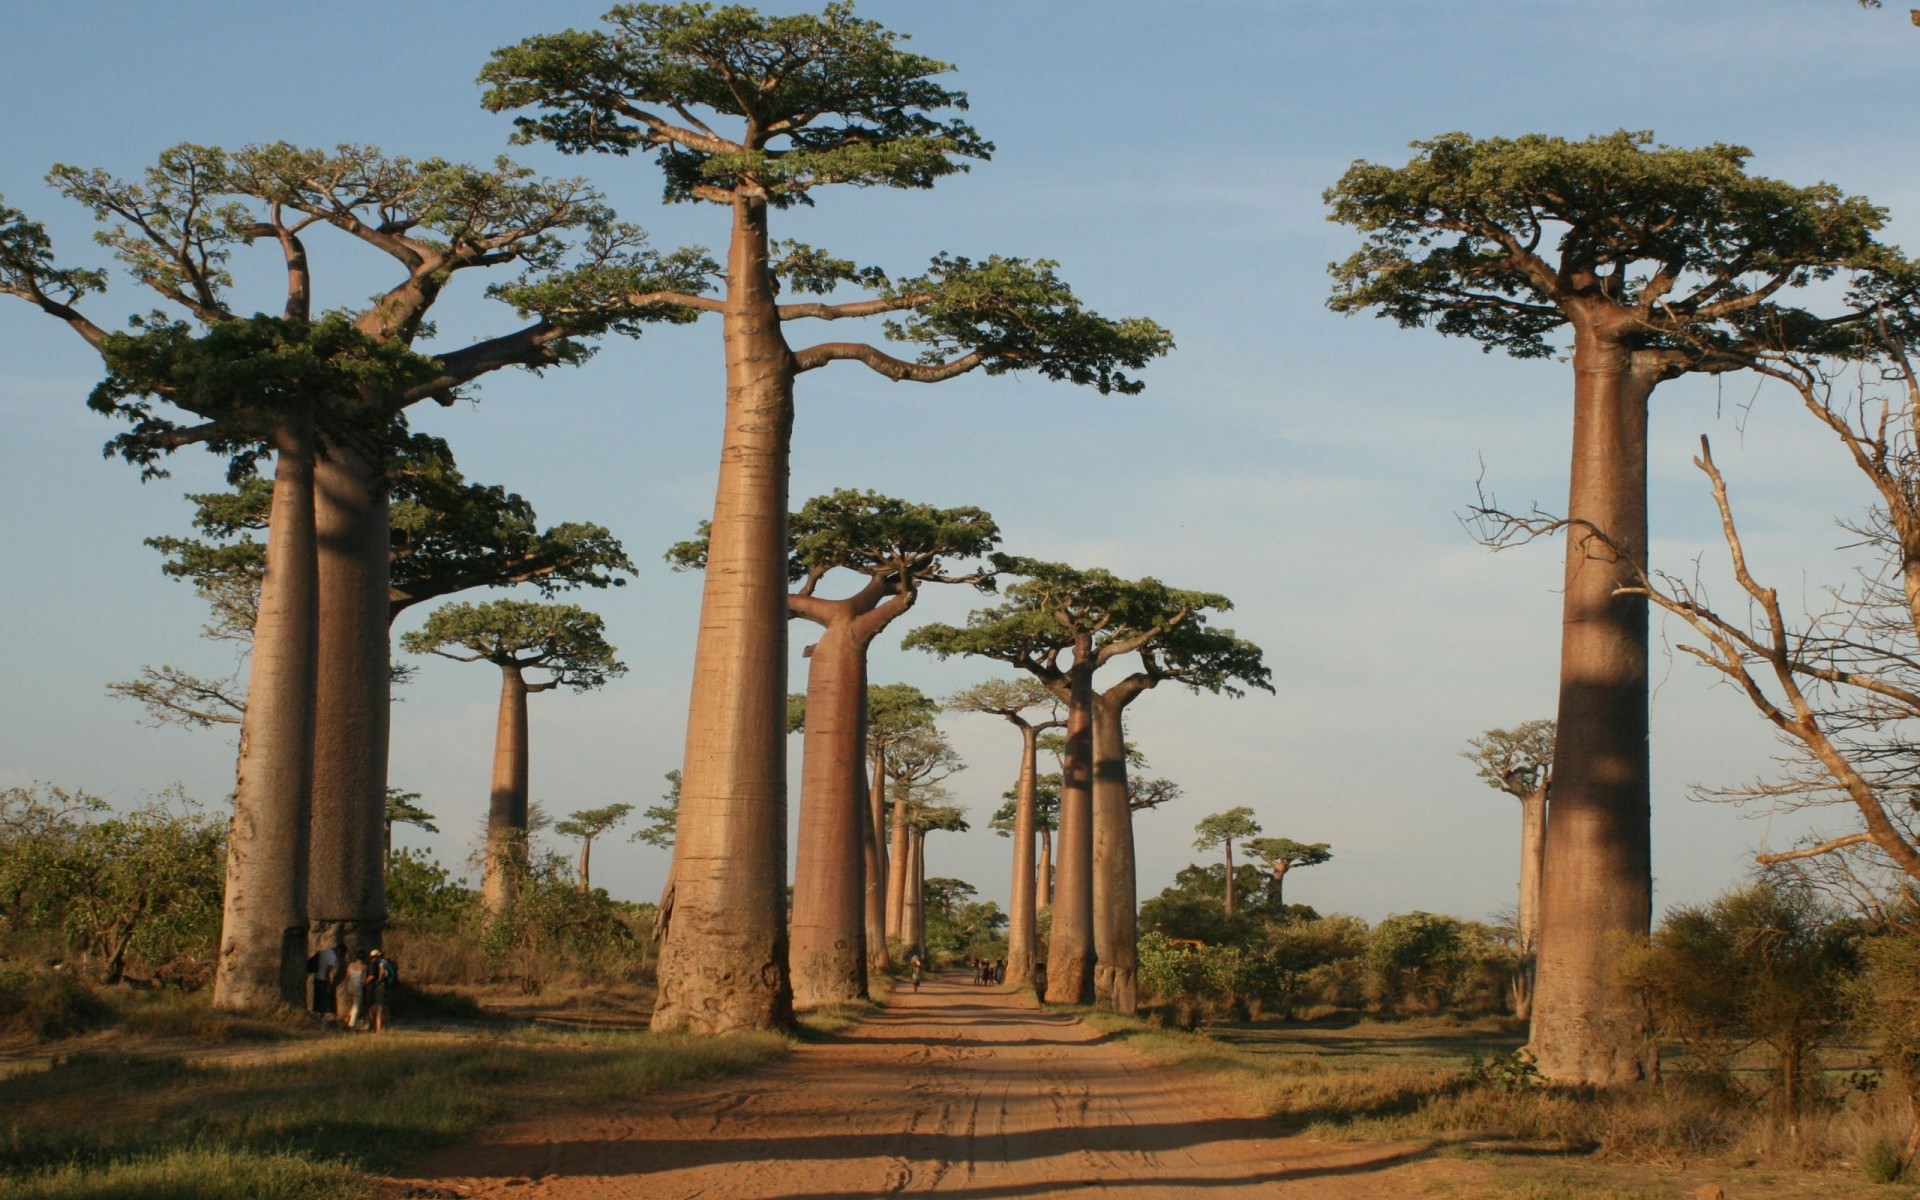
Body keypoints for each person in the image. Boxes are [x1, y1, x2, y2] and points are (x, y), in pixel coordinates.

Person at [365, 948, 394, 1033]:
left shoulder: (382, 962)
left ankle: (378, 1029)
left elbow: (381, 973)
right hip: (384, 986)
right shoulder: (383, 962)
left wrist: (378, 982)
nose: (373, 959)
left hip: (381, 986)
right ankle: (381, 1026)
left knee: (379, 1008)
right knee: (381, 1007)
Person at [313, 940, 341, 1019]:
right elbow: (327, 972)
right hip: (323, 980)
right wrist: (328, 985)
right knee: (324, 1001)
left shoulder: (324, 952)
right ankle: (322, 1018)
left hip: (316, 978)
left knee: (317, 1000)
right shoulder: (333, 957)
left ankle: (316, 1016)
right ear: (340, 950)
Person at [344, 953, 367, 1030]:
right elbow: (363, 980)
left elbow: (347, 977)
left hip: (350, 985)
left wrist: (346, 986)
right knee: (357, 1006)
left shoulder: (350, 965)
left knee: (354, 1005)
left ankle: (348, 1017)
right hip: (358, 987)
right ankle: (351, 1024)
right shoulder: (364, 967)